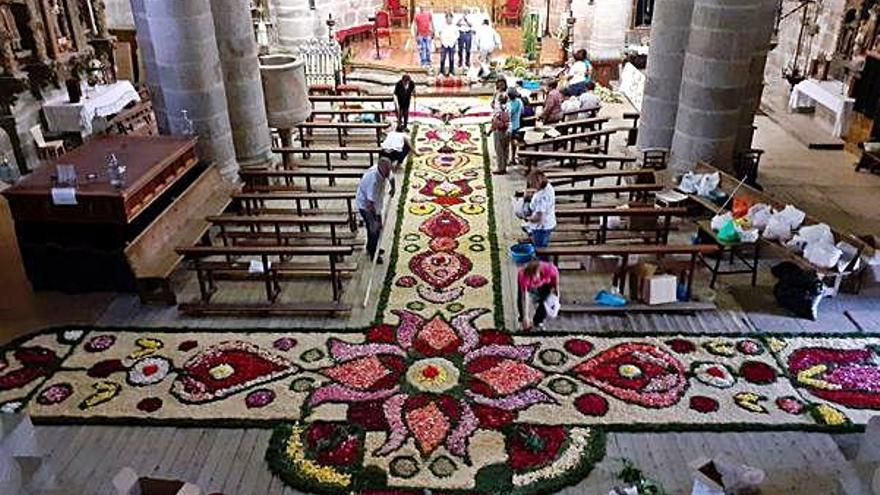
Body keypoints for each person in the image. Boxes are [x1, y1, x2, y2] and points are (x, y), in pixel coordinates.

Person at [356, 158, 394, 264]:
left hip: (376, 202)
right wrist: (376, 219)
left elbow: (391, 177)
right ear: (381, 168)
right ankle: (374, 254)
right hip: (366, 206)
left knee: (373, 228)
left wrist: (393, 188)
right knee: (374, 229)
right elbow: (369, 204)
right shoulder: (372, 180)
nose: (388, 173)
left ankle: (371, 247)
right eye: (386, 171)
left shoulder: (386, 170)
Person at [517, 259, 560, 331]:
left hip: (545, 284)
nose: (533, 279)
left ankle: (538, 321)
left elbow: (555, 286)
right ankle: (523, 320)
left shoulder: (551, 270)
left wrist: (556, 299)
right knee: (521, 298)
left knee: (545, 299)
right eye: (531, 277)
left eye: (534, 276)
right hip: (527, 284)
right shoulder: (523, 275)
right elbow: (524, 296)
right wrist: (526, 316)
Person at [525, 170, 556, 248]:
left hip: (541, 227)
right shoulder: (548, 186)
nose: (532, 187)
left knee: (540, 248)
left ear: (538, 182)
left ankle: (543, 260)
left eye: (533, 184)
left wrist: (527, 218)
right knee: (543, 245)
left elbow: (538, 217)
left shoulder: (541, 198)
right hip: (549, 221)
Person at [487, 93, 510, 175]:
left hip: (499, 131)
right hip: (508, 130)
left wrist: (489, 131)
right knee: (505, 149)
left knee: (499, 150)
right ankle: (505, 165)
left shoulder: (498, 110)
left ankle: (501, 168)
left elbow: (495, 122)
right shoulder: (508, 107)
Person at [507, 87, 524, 165]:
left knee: (511, 142)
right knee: (515, 141)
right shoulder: (520, 101)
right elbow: (522, 111)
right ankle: (515, 157)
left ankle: (512, 158)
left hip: (511, 125)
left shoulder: (510, 104)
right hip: (518, 124)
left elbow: (509, 114)